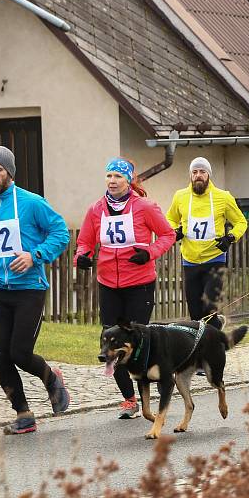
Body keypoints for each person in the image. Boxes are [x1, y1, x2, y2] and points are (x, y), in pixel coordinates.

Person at [0, 146, 71, 435]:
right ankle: (23, 414)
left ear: (9, 172)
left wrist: (35, 256)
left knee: (20, 353)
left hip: (29, 290)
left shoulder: (32, 203)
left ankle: (51, 379)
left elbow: (61, 233)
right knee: (1, 356)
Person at [75, 158, 176, 418]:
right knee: (111, 341)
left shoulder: (145, 207)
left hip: (139, 284)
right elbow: (84, 241)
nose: (112, 181)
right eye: (109, 176)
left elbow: (168, 235)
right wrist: (82, 257)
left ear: (128, 180)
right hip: (108, 284)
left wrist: (149, 253)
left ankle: (154, 385)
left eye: (118, 177)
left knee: (135, 341)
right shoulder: (96, 209)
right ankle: (129, 399)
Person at [166, 157, 248, 331]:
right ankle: (208, 336)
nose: (198, 175)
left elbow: (241, 222)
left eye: (202, 172)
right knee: (195, 313)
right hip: (190, 260)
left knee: (209, 308)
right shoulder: (180, 196)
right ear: (190, 175)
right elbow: (170, 218)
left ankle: (214, 340)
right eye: (194, 172)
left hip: (215, 259)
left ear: (209, 175)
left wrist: (230, 238)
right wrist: (175, 231)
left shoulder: (223, 197)